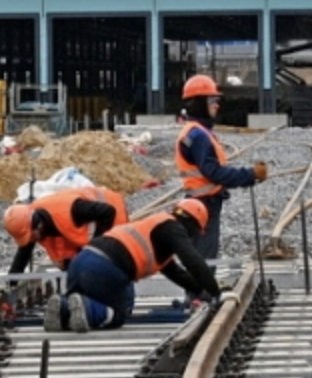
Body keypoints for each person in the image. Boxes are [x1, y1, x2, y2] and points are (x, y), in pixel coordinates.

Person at [44, 199, 222, 332]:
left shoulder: (158, 227)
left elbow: (176, 273)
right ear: (193, 224)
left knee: (87, 303)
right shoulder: (173, 228)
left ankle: (63, 306)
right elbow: (192, 260)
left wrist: (202, 292)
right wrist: (217, 293)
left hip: (81, 261)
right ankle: (86, 308)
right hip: (105, 268)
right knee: (117, 315)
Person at [175, 74, 266, 259]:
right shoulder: (198, 136)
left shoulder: (197, 131)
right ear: (199, 103)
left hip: (200, 202)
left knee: (202, 257)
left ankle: (202, 288)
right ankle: (201, 289)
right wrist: (249, 175)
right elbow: (214, 173)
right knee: (204, 259)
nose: (217, 104)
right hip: (203, 204)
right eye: (212, 99)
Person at [4, 186, 128, 274]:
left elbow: (108, 211)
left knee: (106, 268)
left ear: (38, 225)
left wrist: (96, 249)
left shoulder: (71, 211)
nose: (31, 240)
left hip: (116, 221)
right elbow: (24, 252)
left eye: (31, 236)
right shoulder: (31, 219)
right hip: (90, 227)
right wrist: (12, 281)